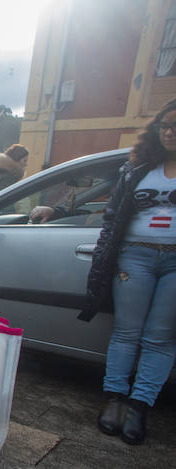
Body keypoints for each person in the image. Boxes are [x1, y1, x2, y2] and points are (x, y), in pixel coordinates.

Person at [79, 97, 176, 445]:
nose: (169, 132)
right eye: (165, 125)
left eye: (175, 126)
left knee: (161, 337)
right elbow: (111, 217)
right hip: (136, 256)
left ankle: (140, 406)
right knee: (126, 332)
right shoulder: (138, 168)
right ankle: (115, 399)